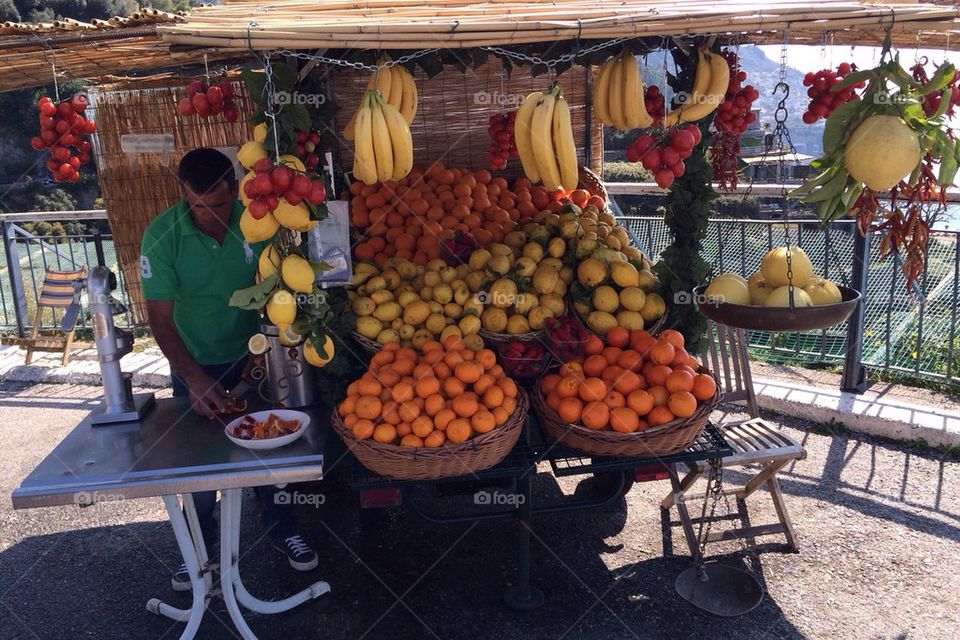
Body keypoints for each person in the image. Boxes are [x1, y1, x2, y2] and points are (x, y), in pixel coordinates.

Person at [139, 148, 317, 591]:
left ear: (233, 192)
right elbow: (159, 319)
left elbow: (276, 286)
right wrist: (194, 377)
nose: (209, 216)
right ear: (183, 194)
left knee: (268, 447)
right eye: (197, 206)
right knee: (198, 466)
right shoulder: (161, 235)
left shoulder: (257, 222)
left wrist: (266, 347)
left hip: (253, 354)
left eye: (218, 205)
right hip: (192, 360)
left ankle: (284, 531)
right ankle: (199, 551)